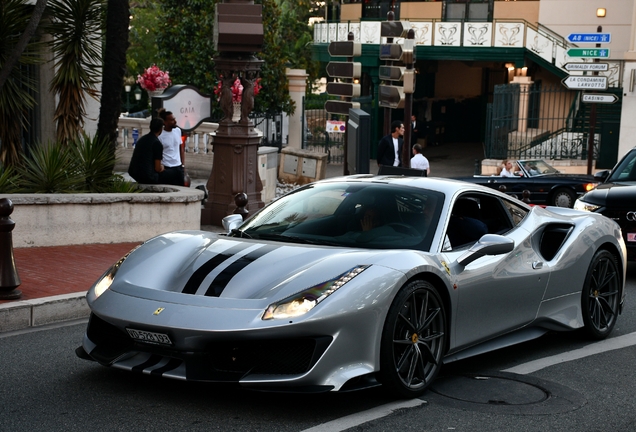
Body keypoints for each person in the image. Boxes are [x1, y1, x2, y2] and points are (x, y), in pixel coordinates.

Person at [128, 118, 167, 184]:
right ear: (161, 129)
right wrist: (162, 167)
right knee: (172, 174)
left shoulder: (142, 139)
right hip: (148, 176)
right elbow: (157, 168)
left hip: (134, 173)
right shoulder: (157, 143)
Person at [157, 108, 186, 186]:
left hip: (178, 167)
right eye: (172, 120)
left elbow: (181, 148)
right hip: (167, 167)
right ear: (165, 122)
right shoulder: (160, 135)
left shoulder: (177, 131)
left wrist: (183, 165)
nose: (175, 121)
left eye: (174, 119)